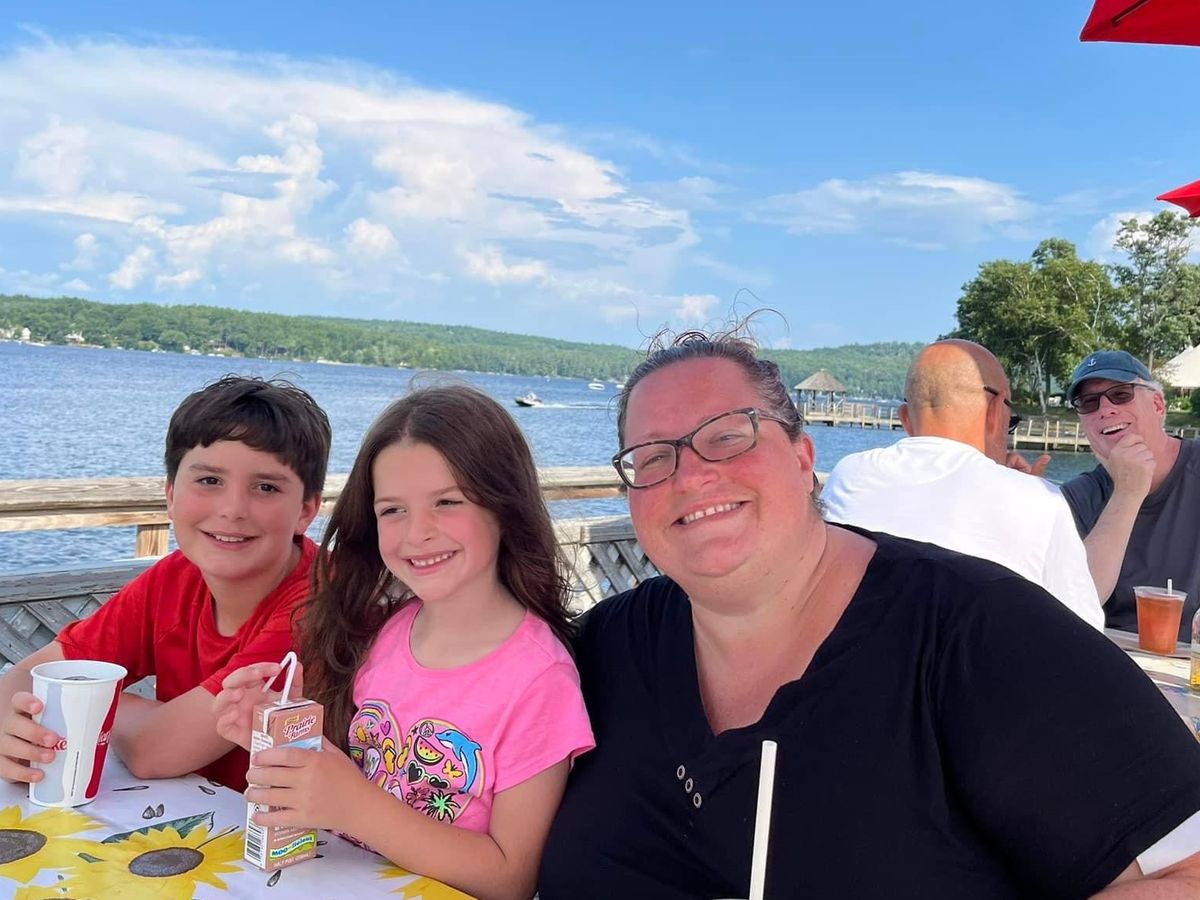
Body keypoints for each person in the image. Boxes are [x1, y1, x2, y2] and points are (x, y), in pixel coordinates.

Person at [538, 327, 1200, 899]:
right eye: (653, 457)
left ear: (804, 460)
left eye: (729, 437)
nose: (690, 476)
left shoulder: (979, 634)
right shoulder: (605, 649)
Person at [215, 384, 593, 900]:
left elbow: (512, 878)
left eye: (448, 502)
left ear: (505, 507)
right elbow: (360, 780)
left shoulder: (540, 679)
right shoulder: (383, 632)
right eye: (393, 510)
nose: (417, 533)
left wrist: (355, 807)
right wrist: (283, 736)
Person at [0, 375, 331, 791]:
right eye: (209, 480)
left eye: (265, 487)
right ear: (171, 495)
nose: (232, 509)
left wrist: (89, 704)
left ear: (306, 511)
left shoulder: (318, 603)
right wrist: (14, 728)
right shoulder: (175, 577)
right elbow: (34, 673)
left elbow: (153, 751)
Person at [821, 339, 1103, 629]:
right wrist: (1025, 493)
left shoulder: (849, 475)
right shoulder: (1040, 502)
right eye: (1011, 422)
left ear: (905, 419)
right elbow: (1084, 631)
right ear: (996, 411)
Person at [1060, 349, 1200, 641]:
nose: (1105, 409)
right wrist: (1127, 493)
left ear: (1158, 405)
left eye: (1121, 394)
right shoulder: (1075, 499)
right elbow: (1074, 602)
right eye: (1089, 402)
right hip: (1113, 659)